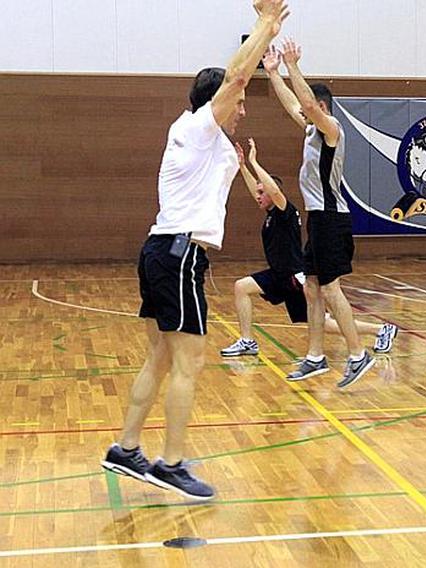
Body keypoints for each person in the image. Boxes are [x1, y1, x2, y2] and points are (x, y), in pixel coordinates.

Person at [100, 0, 290, 501]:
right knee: (189, 363)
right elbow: (235, 77)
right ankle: (171, 463)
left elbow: (248, 187)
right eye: (239, 101)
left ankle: (125, 447)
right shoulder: (199, 127)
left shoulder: (209, 142)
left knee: (160, 358)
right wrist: (266, 25)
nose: (243, 106)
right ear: (216, 103)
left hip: (160, 250)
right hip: (180, 254)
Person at [219, 139, 399, 358]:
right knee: (241, 287)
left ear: (272, 193)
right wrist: (242, 167)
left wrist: (253, 161)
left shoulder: (285, 210)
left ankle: (381, 329)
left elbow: (273, 190)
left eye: (261, 192)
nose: (257, 196)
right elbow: (260, 190)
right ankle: (247, 341)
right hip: (278, 274)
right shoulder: (271, 213)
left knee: (323, 323)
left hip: (294, 277)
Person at [264, 41, 374, 387]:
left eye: (313, 108)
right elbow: (295, 104)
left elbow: (307, 103)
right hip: (318, 219)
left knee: (329, 289)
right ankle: (315, 357)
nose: (305, 112)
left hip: (331, 219)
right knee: (311, 287)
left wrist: (294, 66)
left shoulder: (331, 129)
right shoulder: (312, 129)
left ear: (323, 108)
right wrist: (274, 73)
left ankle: (359, 355)